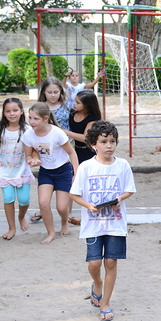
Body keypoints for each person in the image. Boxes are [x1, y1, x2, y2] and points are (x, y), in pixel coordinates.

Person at [69, 120, 136, 321]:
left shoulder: (122, 164)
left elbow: (129, 189)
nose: (109, 145)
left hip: (115, 223)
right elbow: (74, 194)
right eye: (104, 141)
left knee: (111, 262)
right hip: (92, 224)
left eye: (112, 141)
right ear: (93, 145)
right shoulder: (86, 166)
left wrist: (120, 200)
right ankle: (97, 283)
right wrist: (88, 205)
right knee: (95, 263)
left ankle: (105, 303)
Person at [22, 102, 79, 244]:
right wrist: (32, 161)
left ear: (46, 118)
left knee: (61, 207)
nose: (32, 122)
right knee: (43, 202)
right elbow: (28, 156)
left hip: (63, 170)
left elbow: (72, 153)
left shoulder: (57, 133)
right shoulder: (28, 135)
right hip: (46, 172)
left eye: (36, 119)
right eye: (30, 118)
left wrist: (76, 174)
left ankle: (64, 222)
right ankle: (51, 233)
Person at [0, 97, 34, 240]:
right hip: (4, 172)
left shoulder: (27, 129)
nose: (11, 114)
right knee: (8, 198)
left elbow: (34, 146)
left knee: (24, 200)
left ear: (21, 111)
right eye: (8, 111)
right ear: (3, 113)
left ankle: (21, 217)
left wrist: (34, 158)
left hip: (22, 171)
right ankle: (12, 228)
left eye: (15, 110)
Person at [64, 90, 103, 226]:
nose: (74, 104)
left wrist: (64, 132)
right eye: (74, 100)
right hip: (75, 152)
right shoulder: (72, 114)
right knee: (71, 183)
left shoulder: (92, 118)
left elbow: (85, 138)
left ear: (86, 105)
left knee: (88, 186)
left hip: (89, 153)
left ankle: (87, 214)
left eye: (78, 102)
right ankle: (68, 213)